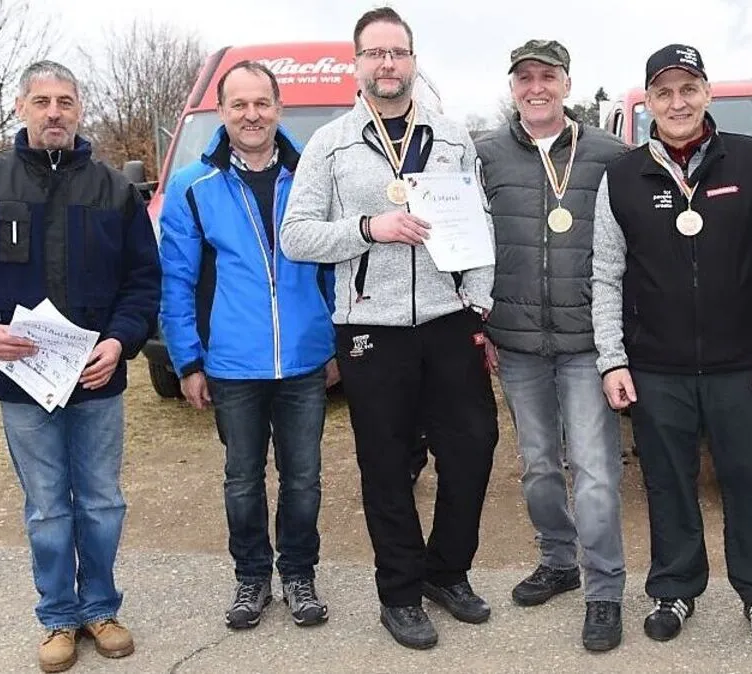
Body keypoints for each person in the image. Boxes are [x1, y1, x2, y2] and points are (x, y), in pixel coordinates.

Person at [0, 60, 160, 673]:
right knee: (49, 507)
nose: (54, 112)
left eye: (66, 101)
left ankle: (101, 609)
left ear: (80, 109)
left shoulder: (114, 191)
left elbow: (143, 282)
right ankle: (58, 617)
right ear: (22, 108)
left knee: (102, 501)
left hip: (96, 379)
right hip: (22, 382)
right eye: (42, 101)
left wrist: (121, 342)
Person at [280, 6, 498, 651]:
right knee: (386, 465)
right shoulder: (332, 142)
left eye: (398, 53)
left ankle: (446, 572)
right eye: (375, 53)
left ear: (413, 60)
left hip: (448, 321)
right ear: (357, 63)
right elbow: (296, 236)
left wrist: (478, 304)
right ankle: (399, 594)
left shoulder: (453, 136)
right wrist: (367, 229)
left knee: (474, 449)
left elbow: (479, 228)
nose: (387, 64)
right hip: (370, 328)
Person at [592, 43, 752, 651]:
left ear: (708, 93)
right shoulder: (621, 177)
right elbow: (606, 273)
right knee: (666, 482)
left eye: (688, 88)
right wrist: (612, 357)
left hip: (744, 363)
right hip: (655, 366)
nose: (677, 102)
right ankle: (674, 588)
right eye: (664, 92)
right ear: (649, 103)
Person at [157, 61, 338, 632]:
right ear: (222, 111)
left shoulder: (313, 174)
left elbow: (334, 267)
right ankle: (252, 577)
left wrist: (335, 341)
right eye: (239, 105)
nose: (251, 115)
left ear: (278, 108)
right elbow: (177, 281)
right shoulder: (192, 186)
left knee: (303, 478)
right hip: (231, 364)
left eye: (261, 103)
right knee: (242, 479)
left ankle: (300, 576)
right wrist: (187, 359)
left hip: (306, 360)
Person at [475, 39, 628, 652]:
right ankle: (558, 559)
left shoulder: (610, 154)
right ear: (512, 86)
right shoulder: (484, 155)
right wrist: (478, 319)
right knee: (539, 465)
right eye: (524, 78)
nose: (535, 87)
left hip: (589, 342)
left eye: (548, 76)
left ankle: (605, 590)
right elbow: (468, 241)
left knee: (593, 472)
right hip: (516, 342)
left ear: (567, 83)